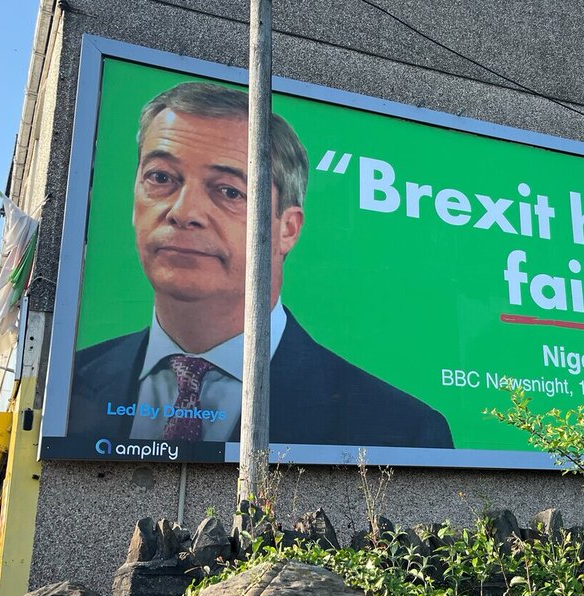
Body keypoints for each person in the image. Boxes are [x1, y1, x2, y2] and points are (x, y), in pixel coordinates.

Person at [69, 81, 452, 449]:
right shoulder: (68, 384)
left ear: (287, 228)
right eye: (161, 178)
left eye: (229, 191)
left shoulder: (401, 428)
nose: (184, 213)